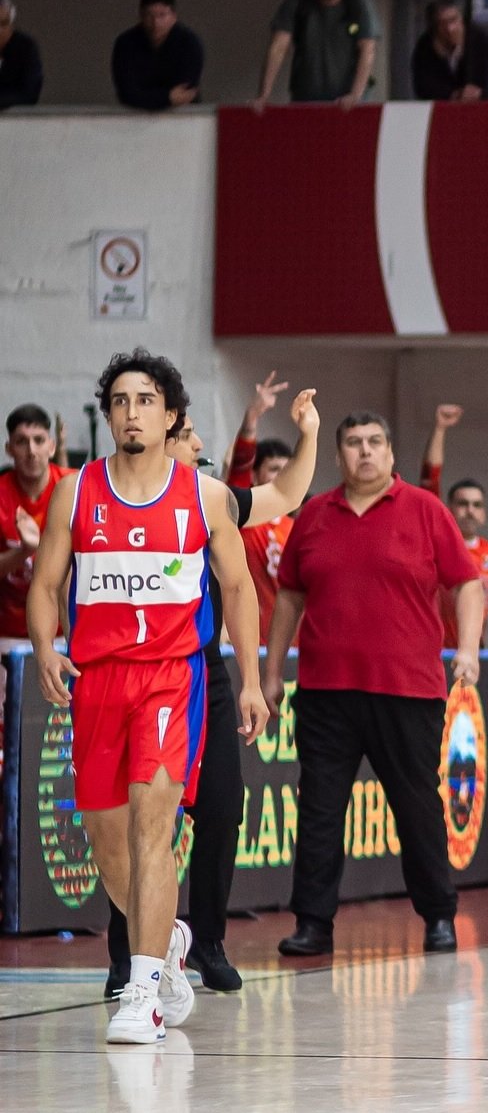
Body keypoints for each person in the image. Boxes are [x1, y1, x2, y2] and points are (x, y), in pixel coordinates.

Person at [27, 349, 267, 1044]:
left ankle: (142, 994)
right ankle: (168, 939)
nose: (132, 412)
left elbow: (239, 587)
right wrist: (45, 647)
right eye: (120, 401)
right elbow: (45, 585)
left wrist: (252, 680)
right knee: (109, 847)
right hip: (98, 679)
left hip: (170, 677)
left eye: (146, 400)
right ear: (108, 416)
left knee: (151, 827)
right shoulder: (75, 491)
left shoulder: (204, 496)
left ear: (171, 417)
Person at [104, 391, 319, 997]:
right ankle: (128, 955)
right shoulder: (107, 501)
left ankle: (208, 942)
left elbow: (285, 495)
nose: (200, 445)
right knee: (142, 820)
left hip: (204, 672)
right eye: (190, 435)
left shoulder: (208, 498)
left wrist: (308, 433)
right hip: (137, 675)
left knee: (223, 808)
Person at [264, 410, 483, 957]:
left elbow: (467, 584)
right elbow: (288, 596)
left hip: (408, 691)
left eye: (375, 442)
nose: (365, 451)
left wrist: (469, 650)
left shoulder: (426, 510)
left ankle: (438, 916)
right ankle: (312, 924)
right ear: (338, 454)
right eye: (354, 443)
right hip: (325, 691)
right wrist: (269, 674)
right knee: (319, 809)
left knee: (417, 807)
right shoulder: (313, 516)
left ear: (390, 453)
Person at [420, 404, 488, 667]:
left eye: (477, 505)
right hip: (430, 654)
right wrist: (440, 429)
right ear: (448, 509)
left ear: (484, 513)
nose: (470, 511)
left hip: (472, 656)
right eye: (463, 504)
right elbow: (430, 478)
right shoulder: (435, 544)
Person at [0, 405, 72, 704]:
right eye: (22, 441)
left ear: (52, 446)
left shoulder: (74, 487)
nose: (31, 451)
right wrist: (24, 552)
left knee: (60, 725)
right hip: (8, 637)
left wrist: (41, 547)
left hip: (65, 634)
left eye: (39, 440)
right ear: (9, 449)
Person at [255, 0, 380, 108]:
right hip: (306, 96)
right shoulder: (296, 3)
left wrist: (355, 95)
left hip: (349, 99)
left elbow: (368, 49)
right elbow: (278, 47)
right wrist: (264, 95)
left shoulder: (358, 2)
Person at [224, 370, 298, 643]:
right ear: (255, 475)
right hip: (250, 646)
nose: (282, 476)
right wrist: (251, 418)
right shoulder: (244, 519)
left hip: (296, 647)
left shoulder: (297, 528)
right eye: (274, 469)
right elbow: (239, 470)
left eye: (286, 470)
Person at [111, 0, 204, 111]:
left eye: (162, 15)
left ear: (174, 17)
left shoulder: (190, 43)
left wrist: (146, 97)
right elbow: (127, 94)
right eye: (149, 16)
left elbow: (185, 94)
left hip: (185, 115)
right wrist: (168, 97)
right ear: (141, 17)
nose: (156, 23)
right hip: (136, 114)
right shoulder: (125, 43)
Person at [411, 0, 488, 101]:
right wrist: (453, 94)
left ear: (461, 19)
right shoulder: (425, 47)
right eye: (442, 24)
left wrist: (476, 91)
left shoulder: (479, 40)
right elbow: (424, 87)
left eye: (453, 20)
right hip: (444, 107)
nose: (450, 29)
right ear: (434, 28)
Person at [0, 0, 42, 108]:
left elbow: (30, 93)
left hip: (15, 115)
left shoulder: (26, 46)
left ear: (11, 25)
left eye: (3, 24)